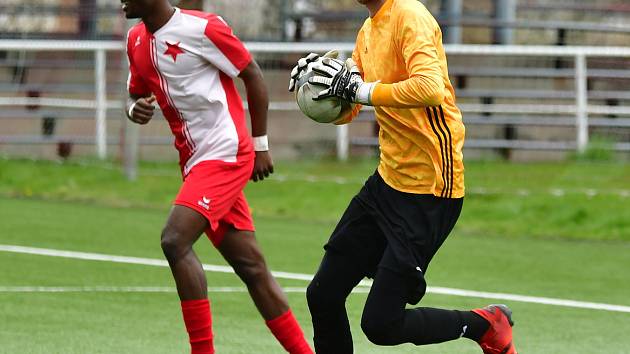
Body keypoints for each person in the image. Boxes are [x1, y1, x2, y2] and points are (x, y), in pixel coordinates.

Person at [289, 0, 517, 353]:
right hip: (386, 183)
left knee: (381, 325)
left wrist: (358, 91)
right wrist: (319, 90)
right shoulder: (368, 30)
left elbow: (429, 88)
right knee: (323, 294)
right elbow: (351, 107)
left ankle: (486, 325)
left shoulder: (409, 15)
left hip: (429, 192)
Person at [121, 0, 313, 353]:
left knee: (174, 240)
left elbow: (252, 74)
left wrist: (260, 146)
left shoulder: (203, 28)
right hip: (195, 163)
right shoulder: (135, 40)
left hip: (227, 152)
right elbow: (135, 97)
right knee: (251, 267)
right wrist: (136, 109)